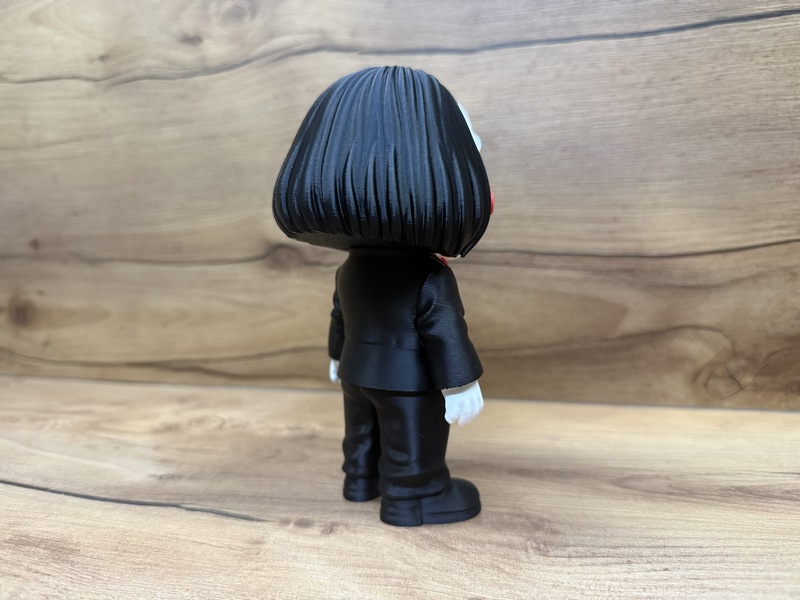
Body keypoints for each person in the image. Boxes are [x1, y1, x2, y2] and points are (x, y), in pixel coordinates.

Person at [273, 66, 491, 526]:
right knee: (411, 439)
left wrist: (337, 356)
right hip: (407, 384)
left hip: (356, 373)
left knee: (362, 434)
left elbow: (339, 314)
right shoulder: (428, 275)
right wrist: (460, 384)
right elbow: (444, 331)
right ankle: (415, 496)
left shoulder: (351, 267)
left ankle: (360, 481)